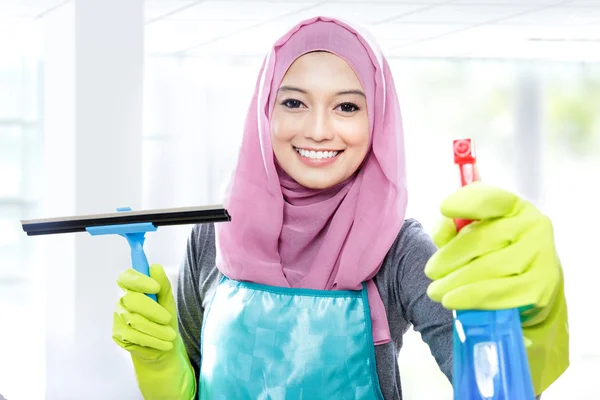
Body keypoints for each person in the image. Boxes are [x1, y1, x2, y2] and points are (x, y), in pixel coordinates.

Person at [111, 16, 569, 400]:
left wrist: (523, 329)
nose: (317, 129)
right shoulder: (214, 235)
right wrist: (158, 362)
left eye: (347, 107)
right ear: (264, 112)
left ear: (378, 121)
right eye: (293, 102)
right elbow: (190, 386)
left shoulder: (398, 248)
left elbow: (487, 386)